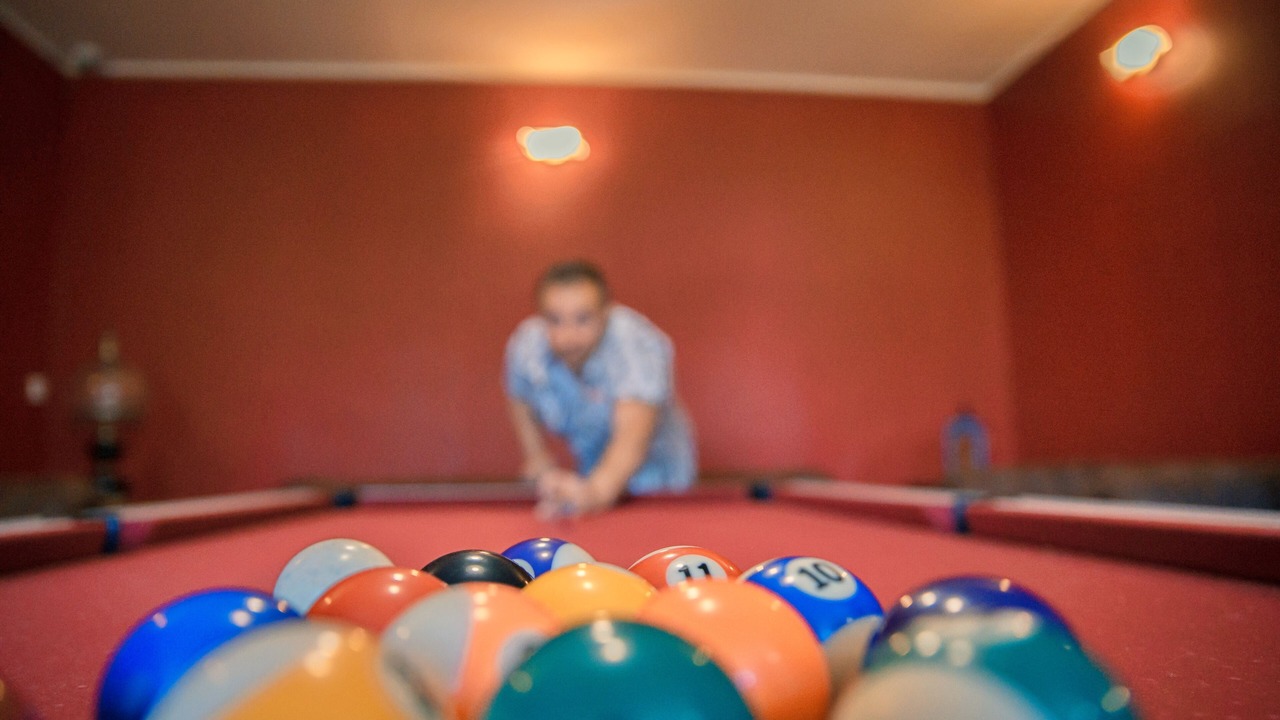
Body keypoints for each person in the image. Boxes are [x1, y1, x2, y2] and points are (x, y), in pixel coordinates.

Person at [504, 260, 696, 518]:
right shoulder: (528, 344)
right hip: (591, 473)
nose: (567, 336)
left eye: (582, 319)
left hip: (659, 484)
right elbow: (519, 396)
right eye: (554, 319)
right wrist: (537, 456)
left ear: (606, 314)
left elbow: (630, 439)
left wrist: (595, 492)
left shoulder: (633, 344)